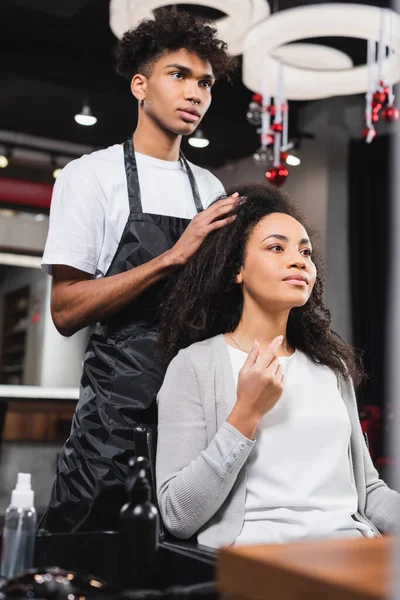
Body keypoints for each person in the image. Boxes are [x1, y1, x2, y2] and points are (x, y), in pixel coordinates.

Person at [40, 8, 238, 532]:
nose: (195, 92)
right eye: (178, 75)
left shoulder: (212, 191)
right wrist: (174, 256)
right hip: (113, 425)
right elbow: (65, 310)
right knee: (87, 559)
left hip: (195, 418)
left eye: (205, 82)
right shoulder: (90, 177)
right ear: (140, 85)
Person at [156, 182, 399, 548]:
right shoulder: (195, 367)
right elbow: (178, 515)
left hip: (351, 554)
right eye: (276, 248)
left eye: (306, 252)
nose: (299, 260)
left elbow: (370, 492)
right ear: (236, 269)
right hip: (259, 563)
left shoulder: (331, 369)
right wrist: (246, 414)